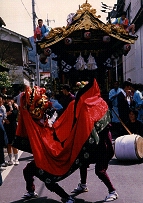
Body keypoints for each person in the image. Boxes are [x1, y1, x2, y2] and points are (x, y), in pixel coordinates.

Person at [71, 125, 118, 202]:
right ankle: (83, 185)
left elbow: (102, 138)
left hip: (104, 148)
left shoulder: (102, 122)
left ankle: (113, 191)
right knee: (82, 162)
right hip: (94, 146)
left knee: (100, 170)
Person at [3, 95, 19, 165]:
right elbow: (4, 115)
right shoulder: (4, 107)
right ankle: (10, 159)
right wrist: (6, 118)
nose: (9, 101)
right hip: (7, 126)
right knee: (9, 144)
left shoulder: (15, 107)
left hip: (13, 126)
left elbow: (14, 115)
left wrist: (11, 108)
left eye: (11, 99)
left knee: (14, 143)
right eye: (8, 99)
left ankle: (16, 159)